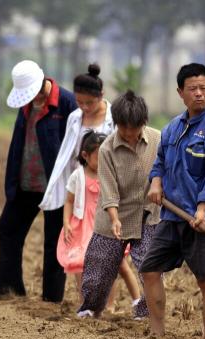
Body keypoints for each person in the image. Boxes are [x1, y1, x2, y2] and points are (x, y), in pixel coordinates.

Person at [140, 63, 205, 339]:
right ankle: (157, 333)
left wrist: (202, 210)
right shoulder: (172, 128)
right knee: (149, 268)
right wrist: (156, 183)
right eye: (193, 89)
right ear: (181, 92)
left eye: (204, 88)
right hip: (173, 215)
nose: (200, 94)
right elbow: (160, 163)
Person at [42, 63, 140, 310]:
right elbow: (68, 152)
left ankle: (107, 304)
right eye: (80, 102)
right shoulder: (75, 117)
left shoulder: (113, 120)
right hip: (84, 189)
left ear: (101, 96)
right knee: (83, 255)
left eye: (89, 103)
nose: (84, 107)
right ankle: (88, 303)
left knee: (110, 254)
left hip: (108, 191)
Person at [0, 60, 77, 302]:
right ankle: (9, 290)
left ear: (42, 86)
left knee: (54, 242)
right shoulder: (26, 105)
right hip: (25, 184)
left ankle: (51, 299)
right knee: (7, 228)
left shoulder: (67, 104)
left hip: (56, 187)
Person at [77, 90, 161, 319]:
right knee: (99, 270)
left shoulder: (157, 140)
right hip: (112, 218)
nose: (130, 134)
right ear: (116, 124)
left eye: (135, 128)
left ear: (144, 123)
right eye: (124, 128)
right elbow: (109, 190)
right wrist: (115, 219)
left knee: (150, 267)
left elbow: (164, 170)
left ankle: (146, 312)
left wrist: (159, 185)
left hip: (147, 215)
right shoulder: (106, 150)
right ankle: (90, 309)